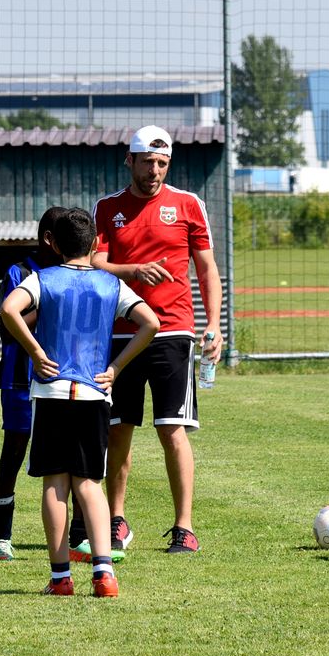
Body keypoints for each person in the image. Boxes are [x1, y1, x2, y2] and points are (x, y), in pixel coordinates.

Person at [0, 208, 159, 596]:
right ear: (97, 243)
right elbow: (151, 323)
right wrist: (116, 367)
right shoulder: (111, 283)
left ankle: (60, 579)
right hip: (93, 393)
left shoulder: (43, 278)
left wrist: (36, 351)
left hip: (52, 392)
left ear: (54, 244)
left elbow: (8, 309)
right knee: (89, 483)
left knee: (55, 483)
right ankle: (104, 574)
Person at [85, 125, 222, 557]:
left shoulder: (188, 204)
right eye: (147, 162)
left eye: (162, 163)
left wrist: (214, 325)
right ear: (130, 161)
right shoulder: (107, 207)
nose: (155, 171)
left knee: (172, 429)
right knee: (118, 429)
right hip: (120, 331)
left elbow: (206, 268)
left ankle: (184, 527)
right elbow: (94, 261)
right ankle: (116, 521)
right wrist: (133, 271)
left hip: (173, 330)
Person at [0, 207, 68, 561]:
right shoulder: (18, 272)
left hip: (63, 377)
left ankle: (78, 534)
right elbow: (7, 326)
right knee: (14, 452)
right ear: (49, 239)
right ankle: (0, 535)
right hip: (20, 377)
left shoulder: (73, 272)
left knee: (69, 456)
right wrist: (48, 303)